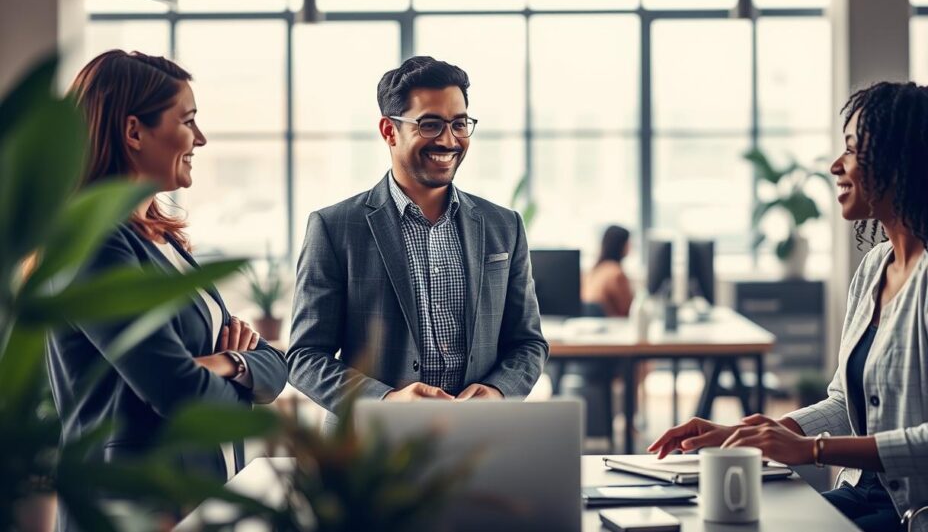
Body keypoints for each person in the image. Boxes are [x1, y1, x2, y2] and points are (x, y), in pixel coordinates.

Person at [648, 81, 928, 532]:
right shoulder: (876, 266)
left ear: (906, 161)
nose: (835, 166)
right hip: (870, 497)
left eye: (851, 149)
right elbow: (848, 402)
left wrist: (814, 450)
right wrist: (765, 433)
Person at [47, 50, 288, 531]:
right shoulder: (94, 241)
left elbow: (274, 369)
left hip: (197, 497)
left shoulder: (162, 238)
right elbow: (176, 391)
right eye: (188, 121)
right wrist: (236, 382)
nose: (200, 138)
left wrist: (228, 363)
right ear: (134, 131)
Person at [286, 56, 548, 429]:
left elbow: (528, 343)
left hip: (479, 441)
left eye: (460, 124)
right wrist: (386, 401)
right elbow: (305, 357)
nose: (448, 139)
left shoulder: (503, 225)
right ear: (389, 131)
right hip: (370, 449)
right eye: (430, 125)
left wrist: (497, 392)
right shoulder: (334, 227)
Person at [581, 225, 634, 317]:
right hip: (612, 325)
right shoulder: (616, 273)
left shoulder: (593, 271)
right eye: (628, 243)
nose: (631, 247)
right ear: (621, 245)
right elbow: (628, 310)